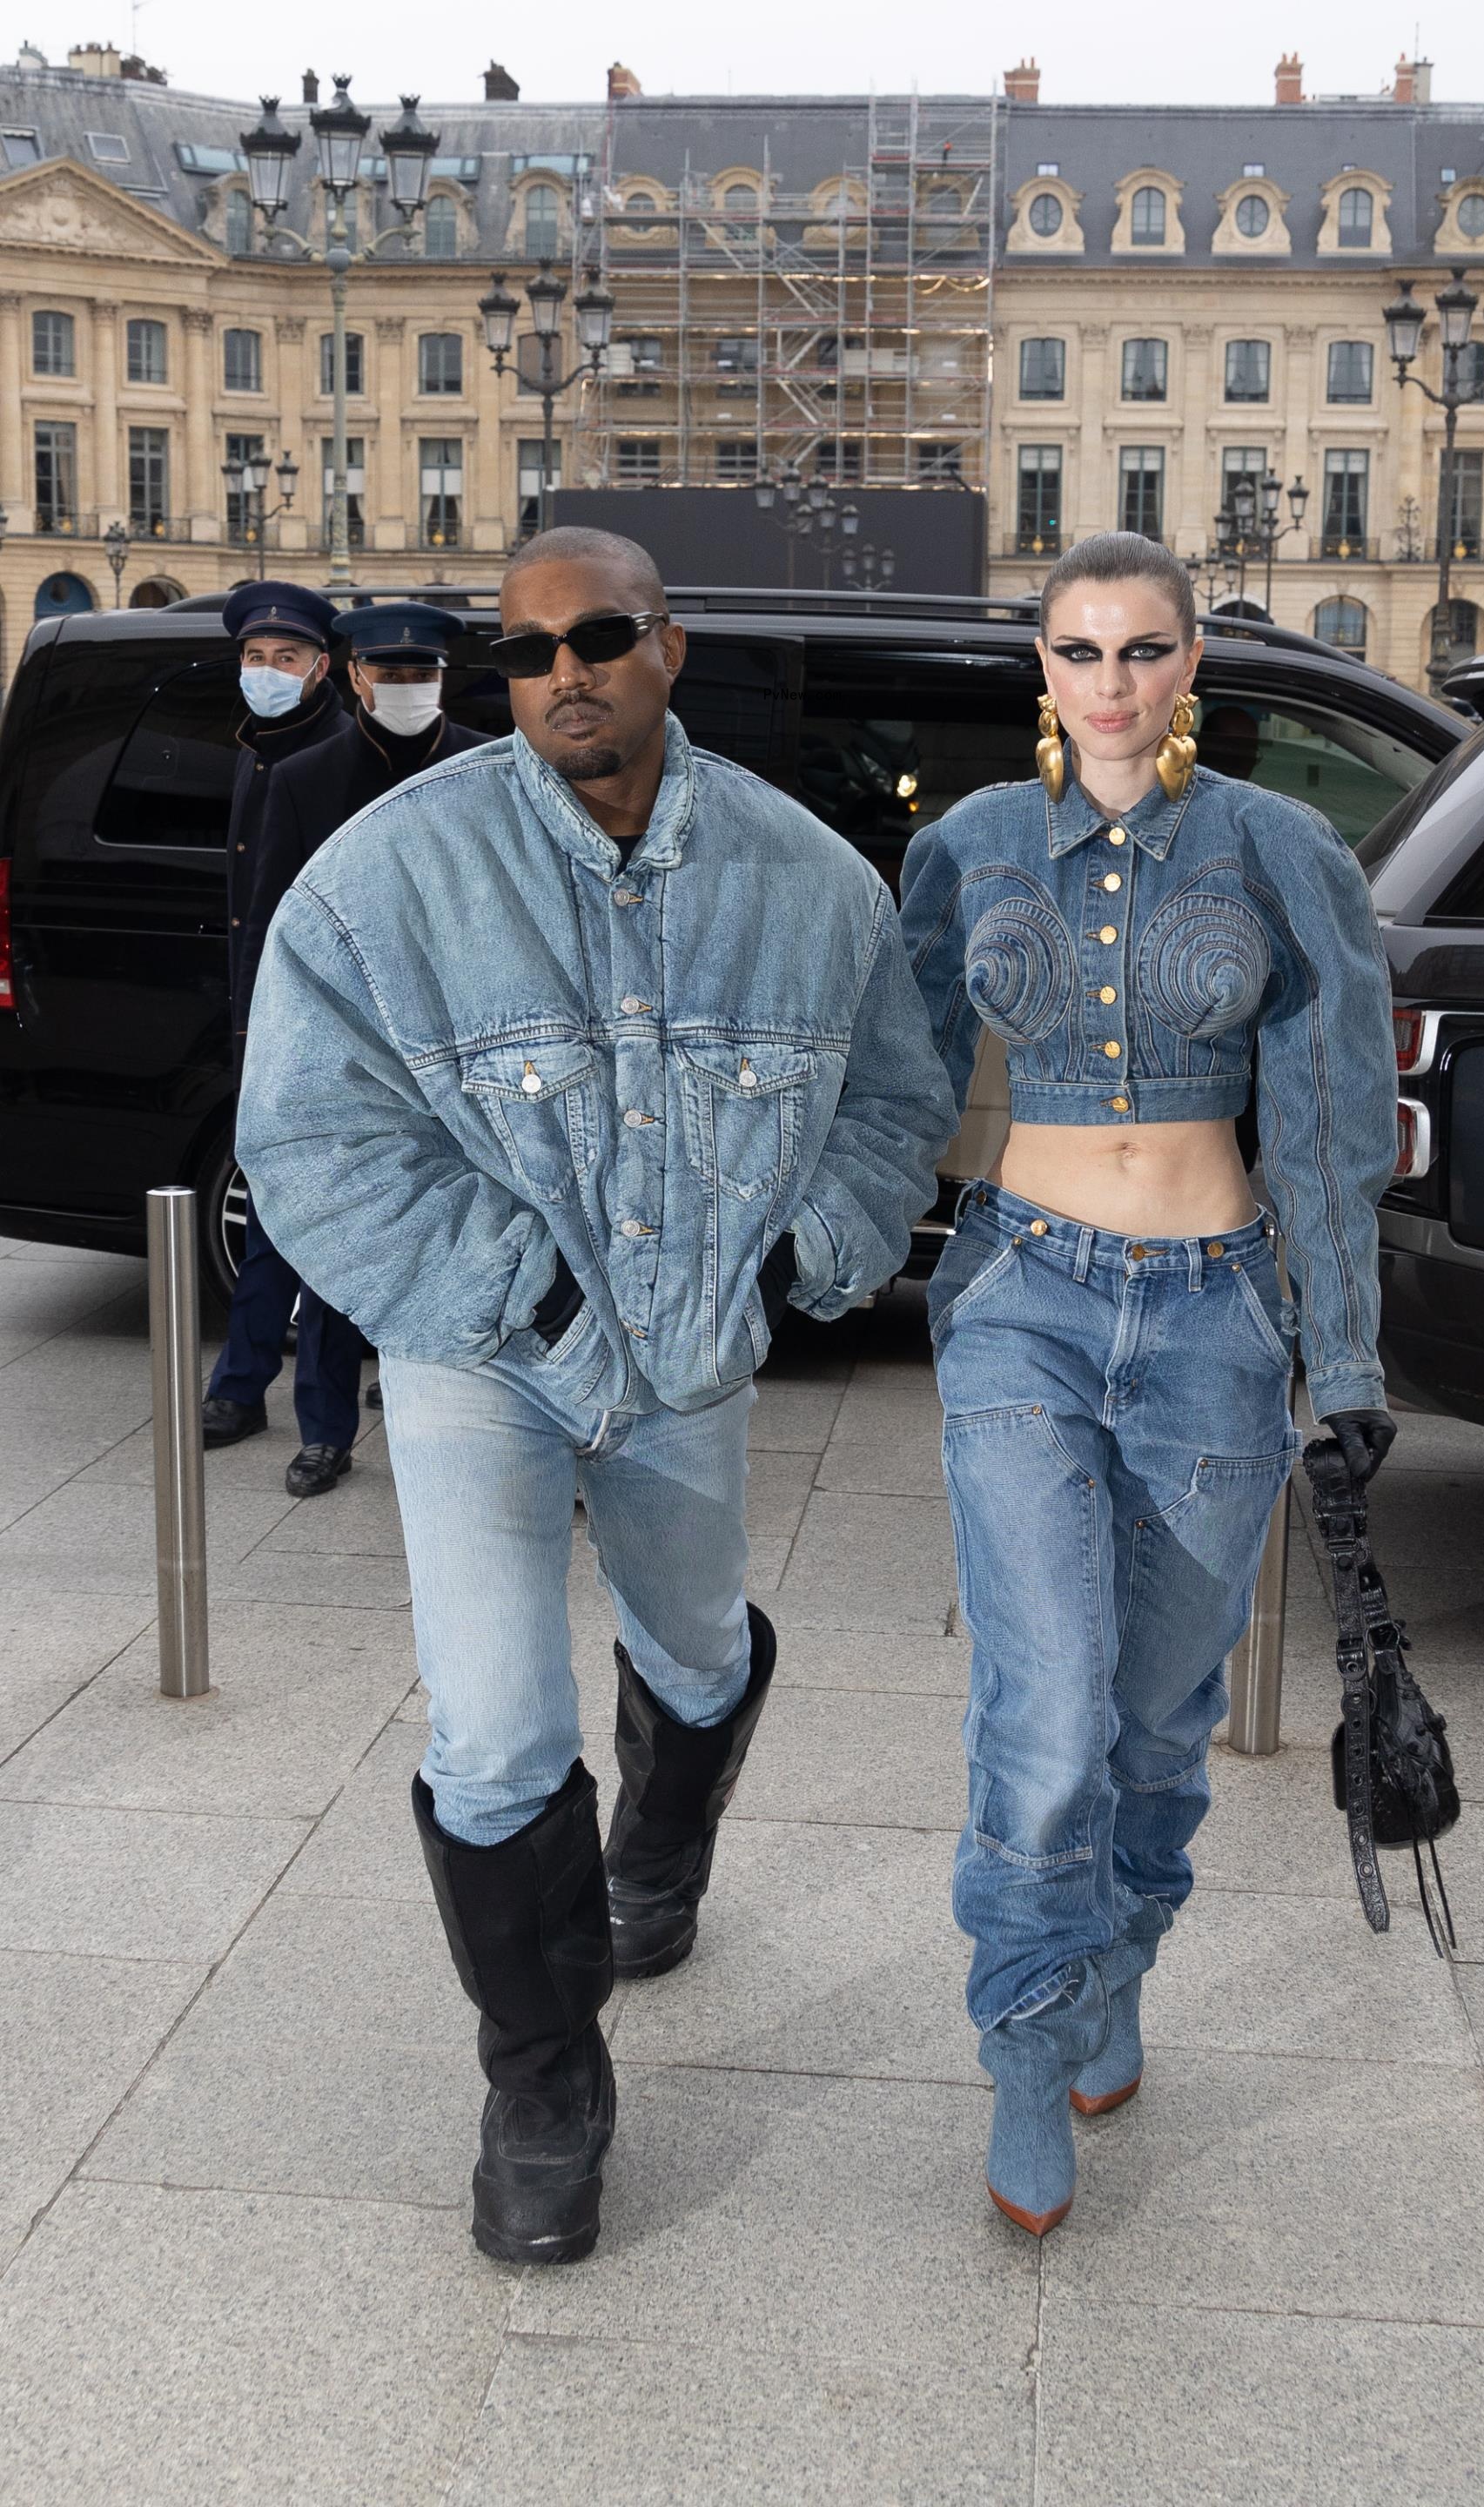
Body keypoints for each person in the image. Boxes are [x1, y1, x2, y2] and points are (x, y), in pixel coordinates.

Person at [237, 528, 954, 2267]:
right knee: (491, 1728)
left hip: (695, 1356)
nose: (564, 668)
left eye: (602, 634)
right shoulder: (388, 873)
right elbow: (312, 1138)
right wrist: (523, 1284)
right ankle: (544, 2086)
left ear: (669, 649)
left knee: (693, 1643)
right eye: (528, 645)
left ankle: (670, 1831)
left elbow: (893, 1102)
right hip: (479, 1360)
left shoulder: (807, 881)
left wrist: (803, 1264)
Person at [899, 531, 1397, 2239]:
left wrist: (1343, 1350)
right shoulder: (967, 845)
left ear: (1193, 667)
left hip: (1211, 1324)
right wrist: (821, 1238)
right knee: (1042, 1720)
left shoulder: (1280, 849)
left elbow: (1328, 1121)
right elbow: (899, 1080)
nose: (1109, 683)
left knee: (1154, 1734)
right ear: (1040, 671)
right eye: (1079, 651)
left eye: (1142, 650)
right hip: (1025, 1302)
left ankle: (1115, 1964)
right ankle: (1029, 2051)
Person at [228, 602, 494, 1491]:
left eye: (424, 674)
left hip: (461, 1047)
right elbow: (272, 925)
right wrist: (271, 1046)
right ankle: (325, 1430)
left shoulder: (487, 766)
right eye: (391, 673)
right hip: (346, 1047)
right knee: (338, 1236)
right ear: (355, 676)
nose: (408, 687)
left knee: (460, 1239)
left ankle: (460, 1422)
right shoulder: (304, 778)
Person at [202, 581, 357, 1484]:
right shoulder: (252, 748)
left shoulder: (338, 752)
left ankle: (325, 1423)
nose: (266, 673)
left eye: (285, 659)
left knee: (323, 1223)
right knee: (265, 1212)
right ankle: (241, 1380)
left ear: (322, 668)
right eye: (254, 658)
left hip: (322, 1031)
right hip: (256, 1022)